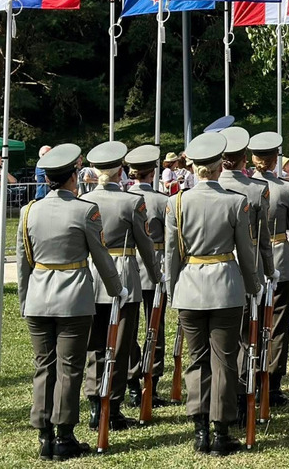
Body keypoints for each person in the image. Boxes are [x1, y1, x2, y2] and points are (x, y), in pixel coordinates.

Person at [17, 143, 123, 461]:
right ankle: (63, 436)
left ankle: (44, 434)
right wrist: (117, 289)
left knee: (43, 368)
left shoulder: (28, 212)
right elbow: (102, 258)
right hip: (74, 299)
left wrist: (25, 301)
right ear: (73, 176)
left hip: (37, 299)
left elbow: (23, 265)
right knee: (69, 369)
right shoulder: (84, 210)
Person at [165, 132, 262, 455]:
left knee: (197, 361)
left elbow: (171, 255)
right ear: (220, 167)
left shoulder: (176, 202)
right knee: (224, 361)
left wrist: (172, 289)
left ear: (193, 168)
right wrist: (254, 287)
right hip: (225, 288)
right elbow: (246, 254)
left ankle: (200, 429)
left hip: (189, 289)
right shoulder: (235, 201)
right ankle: (220, 431)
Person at [80, 141, 160, 434]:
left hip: (91, 276)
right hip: (124, 274)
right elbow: (146, 246)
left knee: (96, 345)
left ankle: (93, 403)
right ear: (119, 172)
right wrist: (157, 275)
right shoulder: (131, 202)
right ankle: (110, 408)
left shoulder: (83, 200)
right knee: (120, 345)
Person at [217, 126, 273, 422]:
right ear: (243, 159)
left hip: (214, 270)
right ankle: (241, 396)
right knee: (249, 338)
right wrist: (269, 272)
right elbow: (263, 240)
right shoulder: (255, 189)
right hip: (248, 268)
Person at [248, 131, 289, 406]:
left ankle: (249, 378)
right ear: (274, 161)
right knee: (278, 326)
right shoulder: (285, 189)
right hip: (280, 259)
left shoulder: (244, 187)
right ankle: (271, 385)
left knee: (251, 322)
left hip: (250, 262)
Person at [124, 144, 172, 410]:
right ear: (152, 172)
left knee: (129, 330)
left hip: (129, 270)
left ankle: (132, 384)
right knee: (155, 328)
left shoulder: (123, 198)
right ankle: (150, 383)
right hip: (156, 267)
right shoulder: (162, 201)